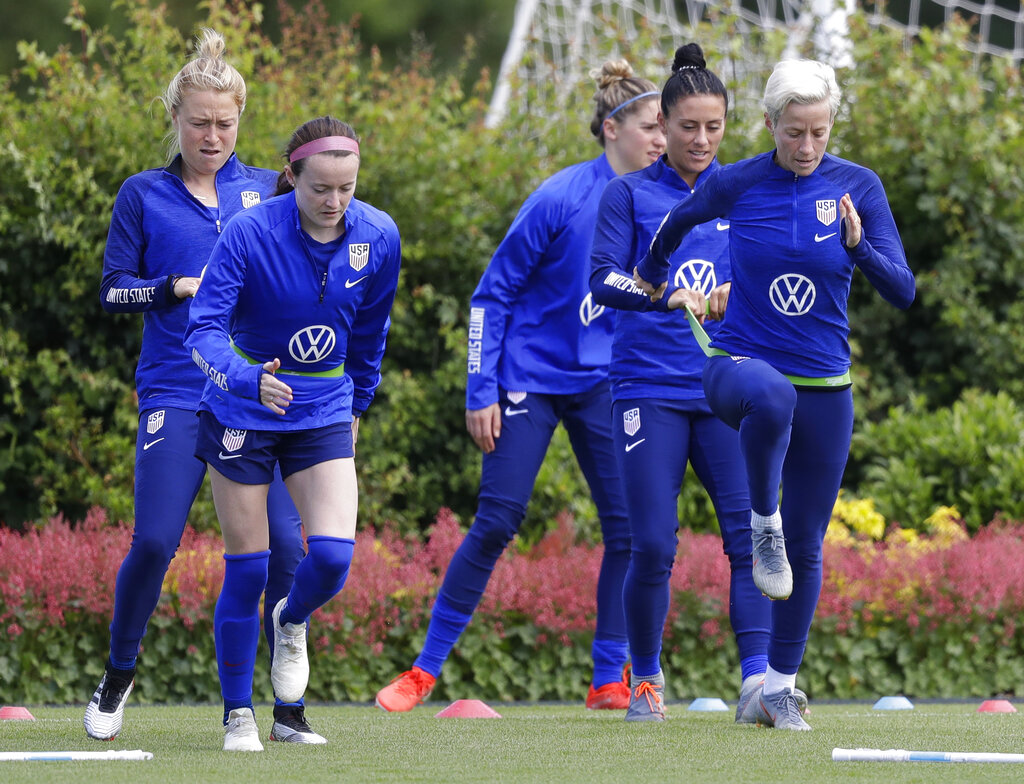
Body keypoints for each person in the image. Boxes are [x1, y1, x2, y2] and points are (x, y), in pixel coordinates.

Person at [374, 60, 665, 713]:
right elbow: (491, 295)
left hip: (606, 383)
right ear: (610, 127)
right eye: (652, 126)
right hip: (527, 378)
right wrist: (480, 387)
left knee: (630, 530)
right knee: (499, 518)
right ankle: (422, 673)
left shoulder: (663, 202)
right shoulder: (560, 196)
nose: (663, 139)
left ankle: (608, 681)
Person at [634, 58, 914, 730]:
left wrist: (860, 248)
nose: (808, 147)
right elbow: (674, 224)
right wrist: (650, 279)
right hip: (737, 367)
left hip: (828, 388)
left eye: (819, 133)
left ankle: (775, 690)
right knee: (771, 397)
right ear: (769, 126)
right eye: (794, 134)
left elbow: (902, 290)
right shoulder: (739, 182)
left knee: (809, 545)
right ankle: (764, 523)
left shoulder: (858, 188)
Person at [89, 29, 318, 744]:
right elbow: (112, 292)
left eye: (224, 123)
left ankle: (284, 711)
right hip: (178, 392)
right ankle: (119, 674)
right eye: (198, 122)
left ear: (240, 120)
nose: (212, 135)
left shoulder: (266, 192)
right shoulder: (143, 194)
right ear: (176, 119)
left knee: (287, 548)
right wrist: (168, 288)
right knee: (155, 541)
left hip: (255, 395)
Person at [590, 42, 809, 723]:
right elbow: (602, 279)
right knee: (651, 543)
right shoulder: (628, 194)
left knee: (749, 537)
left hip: (725, 387)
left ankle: (757, 686)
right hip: (646, 389)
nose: (703, 140)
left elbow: (780, 277)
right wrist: (664, 296)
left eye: (715, 127)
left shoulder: (749, 191)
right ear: (665, 124)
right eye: (689, 127)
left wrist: (736, 297)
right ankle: (647, 682)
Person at [184, 115, 401, 751]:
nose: (335, 204)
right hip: (241, 410)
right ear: (292, 177)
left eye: (348, 190)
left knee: (331, 558)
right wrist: (248, 380)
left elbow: (370, 335)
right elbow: (203, 331)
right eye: (321, 190)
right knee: (248, 569)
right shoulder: (250, 232)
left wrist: (357, 404)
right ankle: (239, 715)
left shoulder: (379, 234)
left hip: (325, 407)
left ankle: (292, 619)